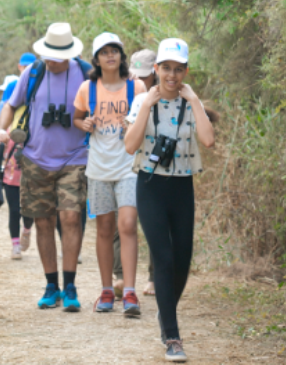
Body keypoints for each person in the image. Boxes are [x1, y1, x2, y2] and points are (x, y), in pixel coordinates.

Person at [123, 38, 215, 362]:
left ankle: (166, 311)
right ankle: (172, 336)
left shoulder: (192, 102)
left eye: (178, 69)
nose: (172, 75)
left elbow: (208, 139)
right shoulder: (142, 101)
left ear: (186, 70)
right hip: (150, 185)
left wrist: (195, 99)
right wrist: (147, 104)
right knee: (162, 257)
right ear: (156, 69)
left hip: (181, 187)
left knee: (182, 260)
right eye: (166, 68)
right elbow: (130, 146)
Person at [0, 23, 89, 312]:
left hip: (75, 157)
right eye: (48, 55)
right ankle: (52, 285)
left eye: (57, 56)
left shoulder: (85, 73)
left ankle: (70, 285)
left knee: (71, 218)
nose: (52, 61)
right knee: (44, 221)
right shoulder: (33, 72)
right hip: (36, 158)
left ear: (69, 54)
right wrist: (3, 128)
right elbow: (12, 104)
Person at [73, 32, 147, 315]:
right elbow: (77, 117)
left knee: (127, 225)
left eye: (114, 50)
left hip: (129, 166)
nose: (110, 55)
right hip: (98, 168)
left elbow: (148, 118)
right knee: (104, 229)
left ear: (121, 55)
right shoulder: (87, 88)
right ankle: (106, 290)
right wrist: (84, 124)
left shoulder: (136, 86)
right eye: (104, 52)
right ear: (97, 58)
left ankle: (129, 292)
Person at [112, 48, 160, 298]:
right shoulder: (124, 87)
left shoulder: (167, 93)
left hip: (155, 164)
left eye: (146, 75)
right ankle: (120, 275)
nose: (141, 80)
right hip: (125, 160)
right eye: (136, 75)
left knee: (154, 222)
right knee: (124, 220)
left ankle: (154, 276)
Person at [0, 73, 33, 260]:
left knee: (28, 210)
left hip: (30, 172)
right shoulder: (7, 120)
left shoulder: (33, 115)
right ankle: (15, 245)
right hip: (10, 172)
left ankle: (27, 229)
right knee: (14, 210)